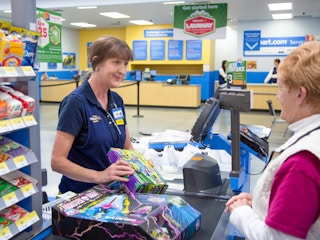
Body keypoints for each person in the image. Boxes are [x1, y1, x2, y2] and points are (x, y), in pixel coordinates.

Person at [225, 41, 320, 240]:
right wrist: (262, 203)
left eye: (280, 88)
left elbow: (279, 238)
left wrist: (240, 212)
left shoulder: (302, 163)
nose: (277, 97)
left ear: (300, 94)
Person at [51, 36, 135, 194]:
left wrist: (140, 165)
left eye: (125, 64)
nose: (123, 71)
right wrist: (100, 176)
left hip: (111, 193)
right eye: (116, 62)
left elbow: (126, 145)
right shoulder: (76, 103)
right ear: (97, 62)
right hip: (80, 197)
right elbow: (57, 162)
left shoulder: (116, 100)